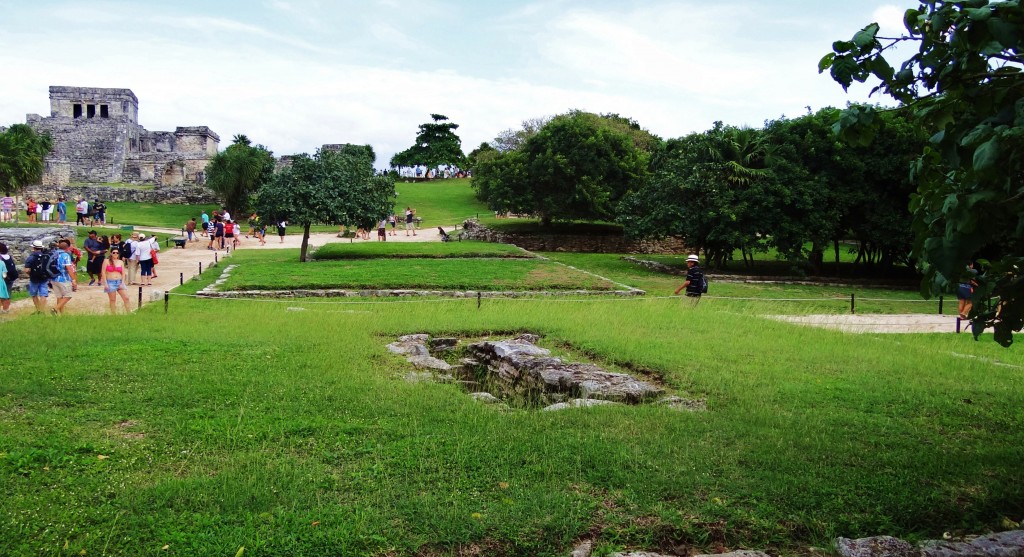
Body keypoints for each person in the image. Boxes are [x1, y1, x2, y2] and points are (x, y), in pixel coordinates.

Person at [50, 238, 77, 315]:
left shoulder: (53, 254)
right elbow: (69, 268)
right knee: (68, 296)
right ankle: (55, 309)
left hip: (54, 278)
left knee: (59, 297)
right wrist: (73, 280)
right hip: (63, 278)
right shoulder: (65, 255)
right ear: (67, 248)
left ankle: (60, 314)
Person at [100, 248, 131, 314]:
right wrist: (105, 283)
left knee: (126, 298)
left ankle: (129, 312)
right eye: (114, 252)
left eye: (117, 253)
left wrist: (122, 282)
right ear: (111, 253)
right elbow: (103, 272)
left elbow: (123, 273)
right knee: (113, 299)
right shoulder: (106, 261)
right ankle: (113, 314)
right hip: (110, 282)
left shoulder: (120, 262)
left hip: (119, 281)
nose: (115, 254)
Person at [23, 240, 50, 314]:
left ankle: (38, 310)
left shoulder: (31, 257)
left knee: (34, 294)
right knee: (43, 294)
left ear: (33, 248)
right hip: (44, 277)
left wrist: (29, 274)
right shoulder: (46, 256)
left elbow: (26, 270)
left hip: (34, 278)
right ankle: (42, 310)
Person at [0, 242, 15, 314]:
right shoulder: (8, 256)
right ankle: (6, 309)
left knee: (1, 294)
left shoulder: (1, 259)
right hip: (11, 277)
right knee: (7, 293)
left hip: (2, 279)